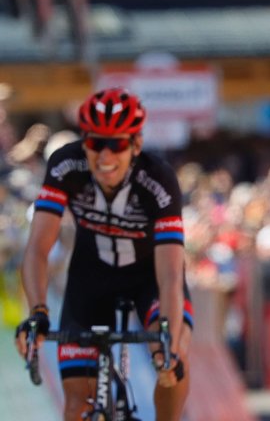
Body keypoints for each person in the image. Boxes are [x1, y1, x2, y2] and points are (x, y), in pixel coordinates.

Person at [14, 88, 194, 421]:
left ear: (136, 145)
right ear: (85, 143)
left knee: (170, 360)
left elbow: (170, 274)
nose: (105, 155)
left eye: (116, 144)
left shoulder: (158, 178)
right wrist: (37, 311)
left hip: (150, 280)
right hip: (91, 278)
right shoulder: (66, 165)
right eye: (96, 143)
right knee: (76, 404)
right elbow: (38, 248)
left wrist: (168, 338)